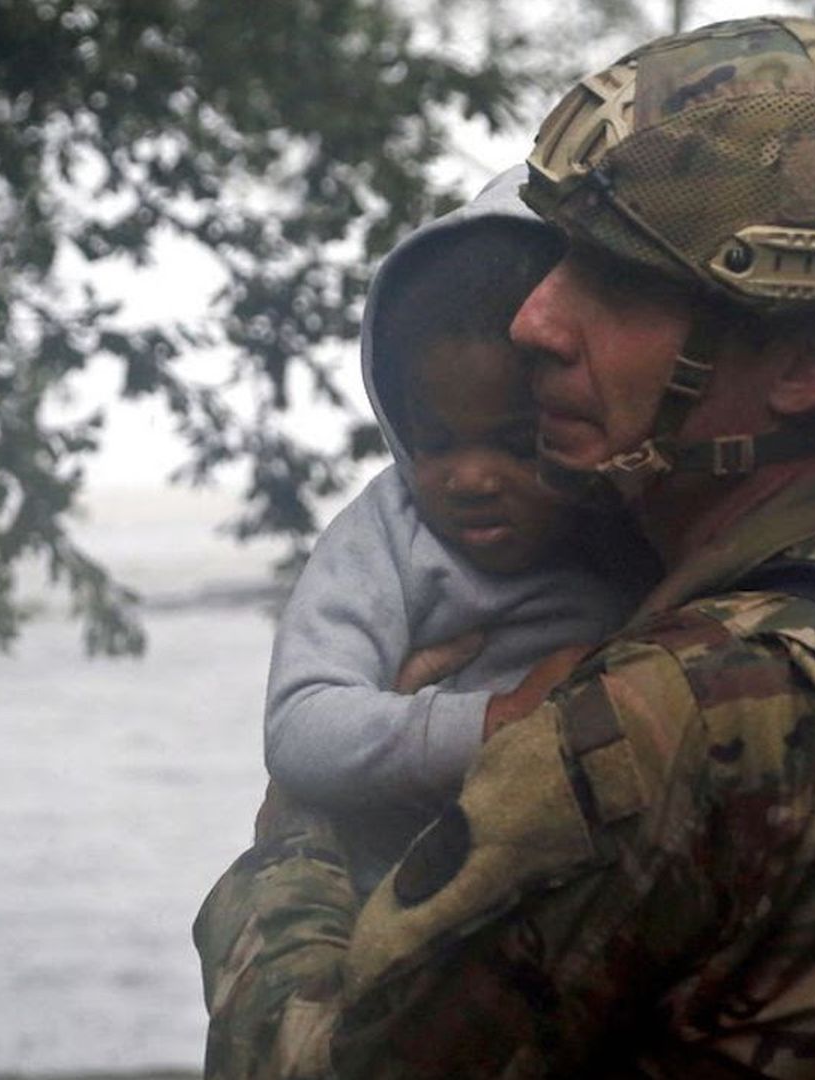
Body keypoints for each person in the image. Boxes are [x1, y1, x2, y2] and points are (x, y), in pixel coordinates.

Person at [195, 15, 815, 1079]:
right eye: (557, 263)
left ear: (804, 365)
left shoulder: (657, 723)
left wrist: (297, 841)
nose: (532, 324)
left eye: (617, 282)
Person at [263, 167, 648, 896]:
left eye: (514, 442)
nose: (470, 479)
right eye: (436, 443)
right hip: (404, 905)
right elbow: (301, 729)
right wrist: (494, 724)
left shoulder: (634, 525)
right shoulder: (389, 534)